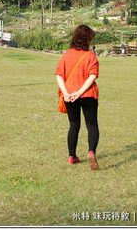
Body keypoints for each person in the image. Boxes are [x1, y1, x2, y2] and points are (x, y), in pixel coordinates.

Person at [55, 24, 100, 170]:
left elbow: (59, 75)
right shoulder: (91, 56)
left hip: (70, 96)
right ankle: (91, 151)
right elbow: (92, 76)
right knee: (92, 125)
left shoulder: (67, 55)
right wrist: (80, 92)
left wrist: (67, 93)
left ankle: (71, 156)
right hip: (88, 95)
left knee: (74, 126)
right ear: (87, 40)